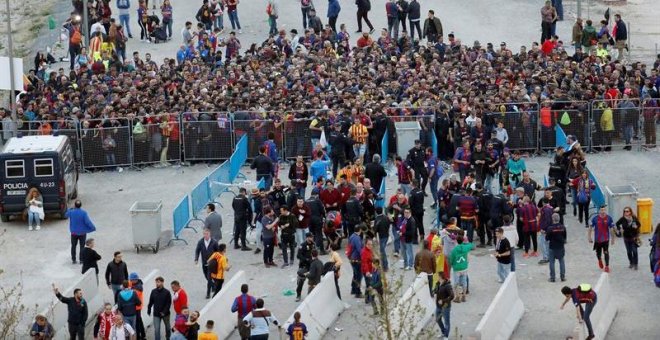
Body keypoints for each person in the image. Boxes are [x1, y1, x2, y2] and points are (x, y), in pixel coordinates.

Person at [66, 200, 97, 264]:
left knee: (73, 246)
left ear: (75, 205)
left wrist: (70, 209)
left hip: (74, 233)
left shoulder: (71, 212)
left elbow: (66, 215)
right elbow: (88, 222)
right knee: (82, 246)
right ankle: (81, 260)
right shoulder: (83, 213)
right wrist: (93, 227)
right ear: (81, 205)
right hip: (82, 233)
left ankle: (73, 260)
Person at [589, 206, 616, 273]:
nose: (603, 212)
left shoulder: (609, 218)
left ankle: (607, 266)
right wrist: (589, 237)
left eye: (604, 210)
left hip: (606, 239)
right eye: (601, 210)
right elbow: (590, 228)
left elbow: (612, 229)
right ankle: (599, 259)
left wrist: (613, 238)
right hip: (597, 239)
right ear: (599, 211)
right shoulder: (595, 219)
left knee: (606, 252)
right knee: (598, 253)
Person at [195, 228, 219, 298]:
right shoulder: (200, 242)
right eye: (204, 234)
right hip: (204, 263)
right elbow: (197, 250)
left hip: (211, 263)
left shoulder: (214, 242)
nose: (205, 235)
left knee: (209, 278)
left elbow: (218, 252)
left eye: (207, 234)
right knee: (206, 276)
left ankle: (208, 293)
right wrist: (196, 259)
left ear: (209, 234)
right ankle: (214, 285)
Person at [450, 236, 473, 303]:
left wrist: (452, 264)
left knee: (456, 283)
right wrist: (466, 242)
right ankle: (464, 296)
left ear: (456, 241)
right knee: (464, 282)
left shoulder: (454, 250)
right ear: (462, 241)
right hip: (464, 267)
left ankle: (457, 297)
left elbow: (451, 260)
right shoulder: (465, 247)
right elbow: (471, 245)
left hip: (457, 268)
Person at [546, 213, 567, 282]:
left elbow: (547, 238)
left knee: (552, 262)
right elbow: (565, 237)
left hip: (552, 247)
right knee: (561, 261)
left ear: (552, 219)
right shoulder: (563, 227)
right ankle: (562, 276)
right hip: (560, 247)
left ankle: (552, 277)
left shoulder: (550, 228)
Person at [434, 273, 454, 340]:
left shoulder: (447, 285)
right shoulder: (437, 284)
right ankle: (443, 332)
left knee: (446, 322)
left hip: (445, 306)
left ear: (440, 277)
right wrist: (434, 292)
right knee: (438, 319)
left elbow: (452, 296)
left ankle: (446, 336)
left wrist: (443, 300)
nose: (437, 277)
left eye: (437, 276)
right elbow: (435, 291)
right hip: (438, 306)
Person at [348, 225, 365, 297]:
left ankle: (353, 289)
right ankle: (358, 292)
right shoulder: (357, 238)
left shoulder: (351, 236)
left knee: (355, 274)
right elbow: (359, 249)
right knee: (359, 276)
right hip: (357, 259)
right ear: (360, 230)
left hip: (352, 258)